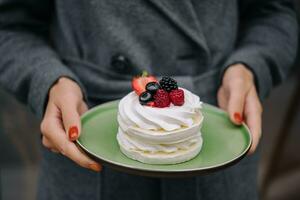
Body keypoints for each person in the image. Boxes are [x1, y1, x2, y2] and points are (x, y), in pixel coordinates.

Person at [0, 0, 298, 199]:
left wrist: (250, 66)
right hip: (90, 146)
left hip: (213, 148)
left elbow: (274, 12)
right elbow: (10, 27)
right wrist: (50, 81)